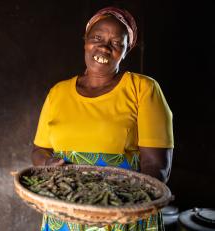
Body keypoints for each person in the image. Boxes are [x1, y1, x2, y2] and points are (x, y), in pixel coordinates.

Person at [31, 6, 174, 231]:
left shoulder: (143, 89)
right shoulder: (58, 92)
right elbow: (39, 150)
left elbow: (158, 168)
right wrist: (48, 164)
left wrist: (112, 204)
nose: (104, 47)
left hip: (122, 214)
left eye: (117, 42)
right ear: (85, 41)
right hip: (65, 213)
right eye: (97, 37)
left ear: (126, 51)